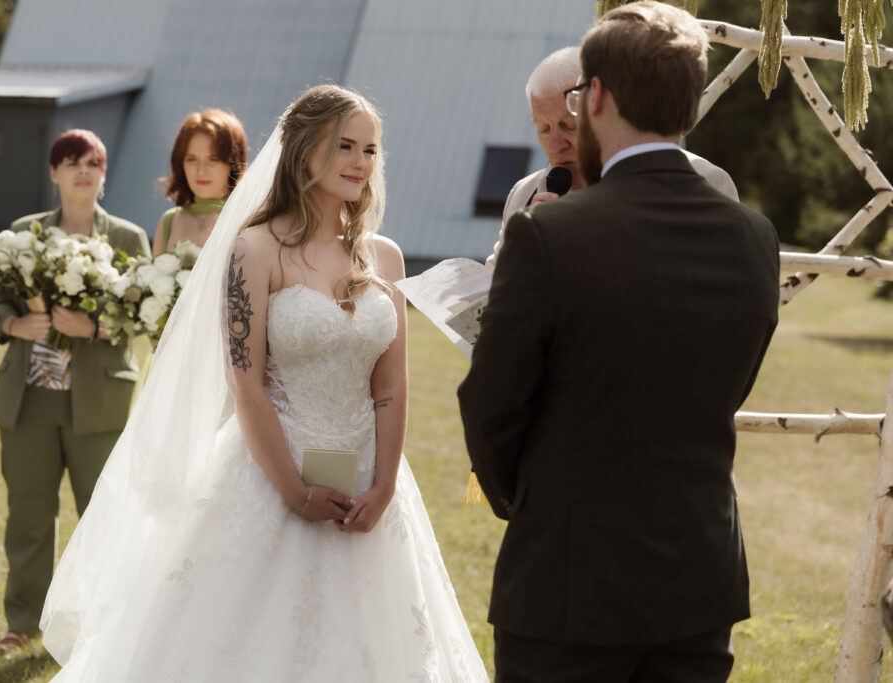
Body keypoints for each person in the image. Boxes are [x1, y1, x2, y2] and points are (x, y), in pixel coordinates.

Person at [40, 85, 487, 681]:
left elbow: (391, 386)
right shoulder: (256, 248)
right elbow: (244, 382)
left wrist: (382, 486)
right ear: (303, 150)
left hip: (370, 482)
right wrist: (294, 491)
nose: (360, 162)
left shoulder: (385, 257)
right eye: (345, 146)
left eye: (371, 150)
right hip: (271, 472)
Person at [458, 3, 779, 681]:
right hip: (699, 578)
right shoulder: (755, 237)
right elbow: (730, 385)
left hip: (569, 582)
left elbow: (491, 402)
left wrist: (530, 497)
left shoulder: (548, 233)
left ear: (595, 95)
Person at [0, 129, 151, 652]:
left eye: (92, 163)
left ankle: (102, 630)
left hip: (98, 403)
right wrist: (15, 325)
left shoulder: (128, 238)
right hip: (29, 399)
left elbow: (143, 314)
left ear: (104, 174)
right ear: (53, 173)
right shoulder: (22, 233)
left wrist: (93, 328)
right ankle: (21, 623)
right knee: (29, 515)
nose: (83, 171)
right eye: (71, 162)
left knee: (102, 518)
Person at [486, 45, 740, 268]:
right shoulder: (524, 195)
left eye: (569, 126)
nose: (554, 145)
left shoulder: (702, 184)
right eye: (543, 128)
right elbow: (493, 292)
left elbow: (720, 293)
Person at [152, 108, 248, 256]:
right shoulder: (168, 221)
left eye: (213, 159)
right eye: (192, 159)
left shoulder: (248, 219)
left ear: (233, 163)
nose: (201, 171)